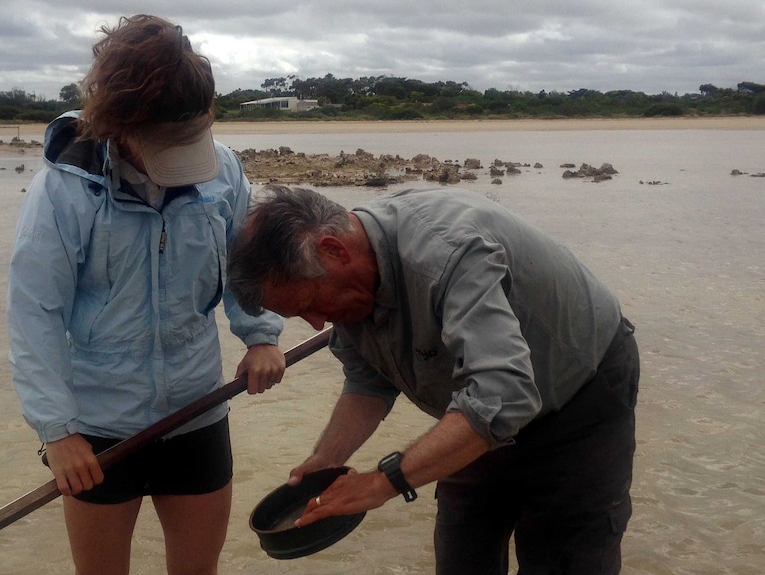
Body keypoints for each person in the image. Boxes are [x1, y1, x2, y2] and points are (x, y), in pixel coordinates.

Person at [227, 185, 639, 574]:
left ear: (334, 250)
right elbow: (368, 382)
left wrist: (382, 483)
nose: (317, 322)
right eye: (299, 316)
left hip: (580, 394)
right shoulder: (348, 288)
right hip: (473, 401)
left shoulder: (447, 255)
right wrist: (327, 460)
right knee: (463, 549)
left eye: (311, 304)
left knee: (566, 556)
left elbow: (503, 394)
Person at [6, 15, 285, 575]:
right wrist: (57, 431)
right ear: (119, 125)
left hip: (197, 410)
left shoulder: (224, 170)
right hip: (97, 428)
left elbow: (243, 265)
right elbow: (35, 313)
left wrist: (260, 335)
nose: (186, 162)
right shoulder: (64, 191)